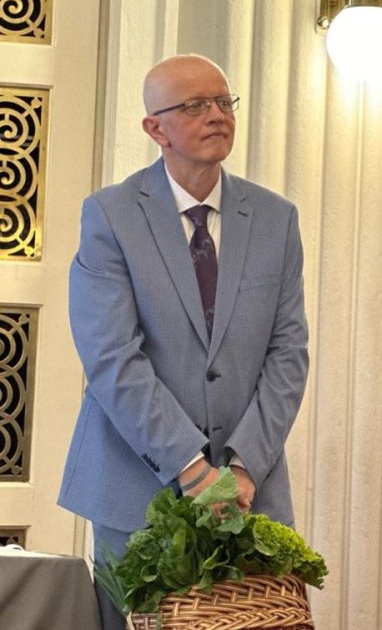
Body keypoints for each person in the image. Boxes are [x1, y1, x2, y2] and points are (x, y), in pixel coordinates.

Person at [58, 54, 309, 629]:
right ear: (156, 129)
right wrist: (190, 469)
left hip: (250, 491)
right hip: (135, 490)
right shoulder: (110, 216)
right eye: (195, 106)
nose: (217, 115)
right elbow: (112, 359)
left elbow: (288, 354)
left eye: (223, 101)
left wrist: (243, 468)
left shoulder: (276, 218)